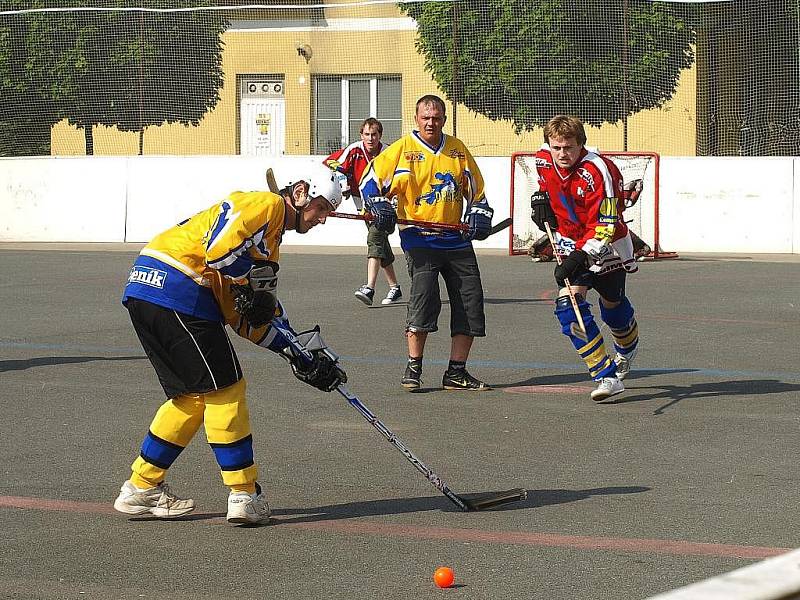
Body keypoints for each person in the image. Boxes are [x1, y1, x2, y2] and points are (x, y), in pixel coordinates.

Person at [113, 164, 347, 524]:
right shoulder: (266, 205)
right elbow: (218, 251)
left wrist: (295, 352)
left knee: (191, 398)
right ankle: (244, 495)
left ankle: (142, 486)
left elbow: (246, 318)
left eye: (328, 212)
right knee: (226, 390)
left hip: (147, 289)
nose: (322, 219)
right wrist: (248, 282)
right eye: (321, 208)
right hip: (179, 288)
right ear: (300, 192)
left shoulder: (268, 243)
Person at [359, 94, 494, 391]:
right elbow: (369, 180)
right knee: (424, 299)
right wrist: (379, 203)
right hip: (419, 240)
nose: (431, 122)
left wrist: (479, 214)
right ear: (417, 119)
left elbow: (478, 194)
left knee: (470, 303)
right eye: (426, 117)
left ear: (444, 119)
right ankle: (414, 367)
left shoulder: (458, 150)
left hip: (456, 240)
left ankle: (456, 373)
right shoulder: (401, 150)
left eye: (436, 117)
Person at [531, 114, 640, 402]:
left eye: (569, 147)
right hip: (569, 239)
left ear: (581, 145)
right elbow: (545, 186)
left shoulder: (598, 171)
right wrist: (540, 202)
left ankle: (627, 349)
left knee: (612, 306)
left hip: (607, 244)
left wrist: (581, 255)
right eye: (557, 147)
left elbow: (606, 223)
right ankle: (605, 374)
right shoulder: (543, 160)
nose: (562, 154)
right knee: (568, 307)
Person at [324, 118, 402, 306]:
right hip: (363, 205)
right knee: (380, 243)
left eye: (374, 134)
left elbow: (399, 177)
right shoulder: (354, 149)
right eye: (366, 134)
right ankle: (395, 287)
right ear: (361, 135)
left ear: (380, 136)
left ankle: (369, 288)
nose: (370, 138)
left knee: (375, 239)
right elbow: (332, 164)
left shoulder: (389, 152)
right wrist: (343, 182)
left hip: (384, 205)